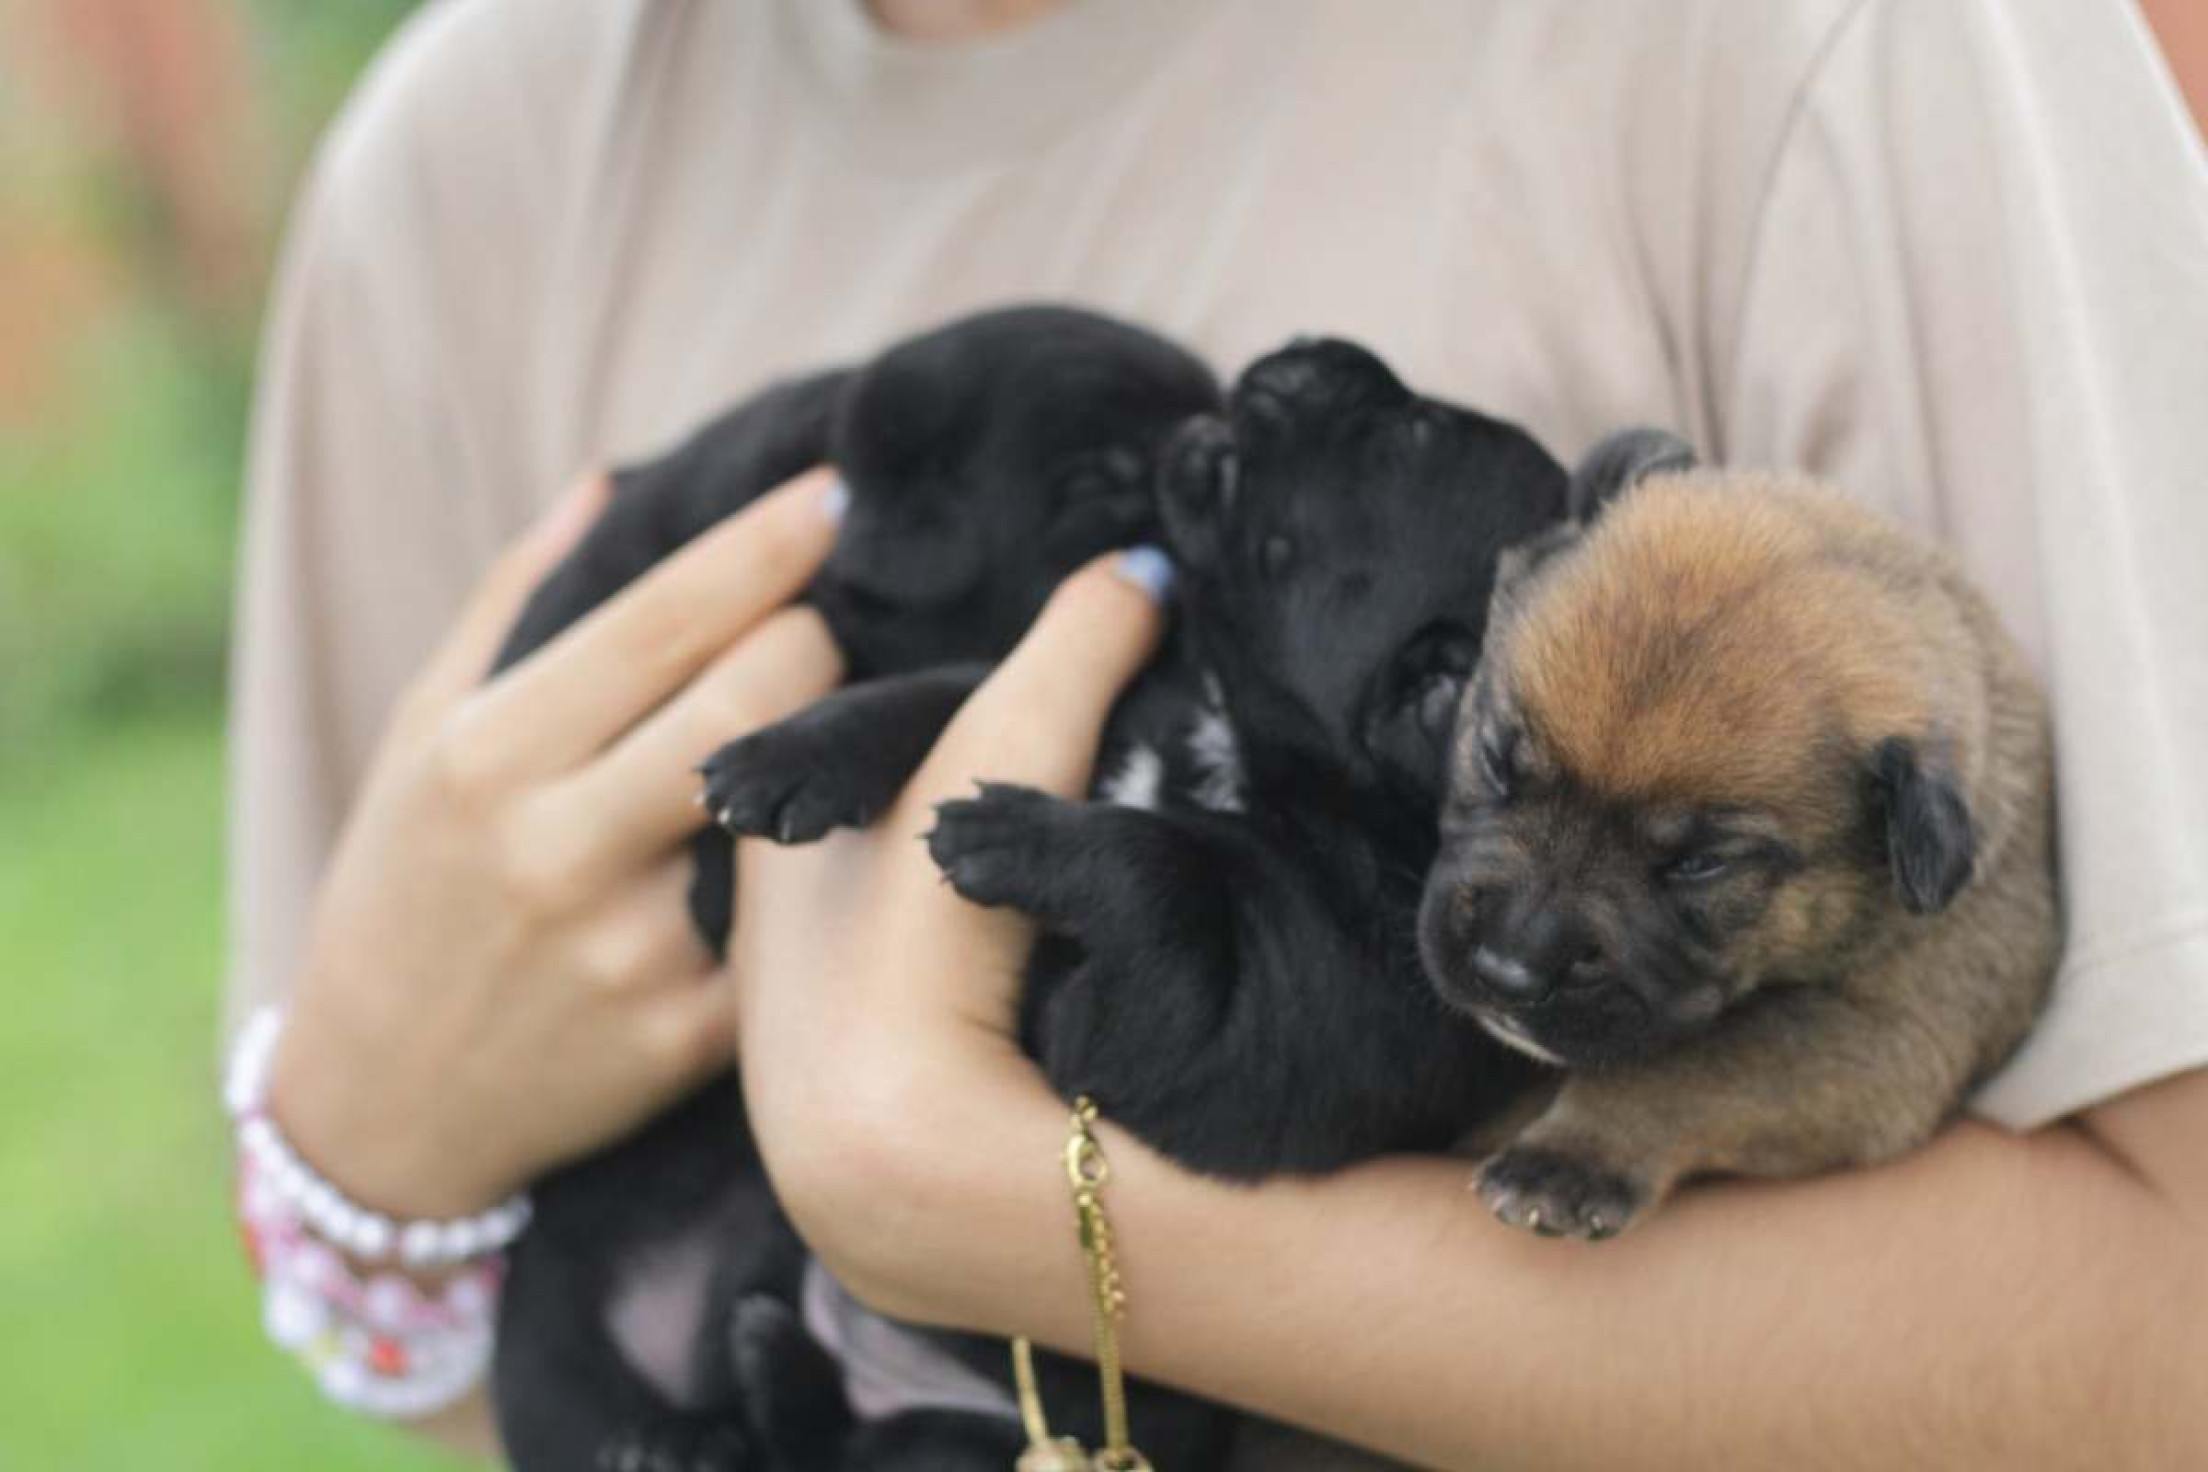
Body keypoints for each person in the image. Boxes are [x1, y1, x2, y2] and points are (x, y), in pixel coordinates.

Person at [228, 0, 2208, 1463]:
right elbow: (499, 1344)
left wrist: (993, 1198)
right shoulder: (450, 181)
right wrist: (375, 1156)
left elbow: (2166, 1341)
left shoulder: (1823, 50)